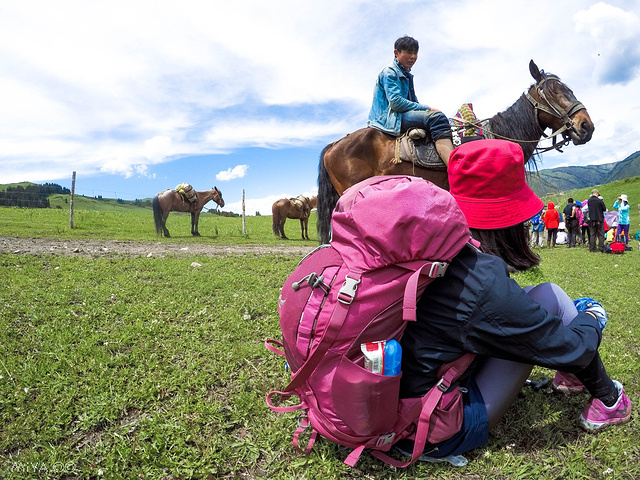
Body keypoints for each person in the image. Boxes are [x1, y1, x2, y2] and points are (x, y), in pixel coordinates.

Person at [398, 139, 631, 461]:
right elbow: (573, 348)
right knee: (549, 296)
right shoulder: (479, 279)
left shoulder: (429, 249)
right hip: (429, 430)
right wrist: (593, 315)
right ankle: (609, 399)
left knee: (535, 301)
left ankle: (577, 381)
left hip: (387, 401)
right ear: (510, 217)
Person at [367, 35, 455, 165]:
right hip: (390, 118)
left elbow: (413, 103)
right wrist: (427, 109)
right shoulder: (390, 72)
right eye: (409, 52)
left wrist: (423, 110)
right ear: (396, 53)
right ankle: (453, 166)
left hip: (399, 115)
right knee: (437, 118)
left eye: (415, 53)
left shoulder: (406, 74)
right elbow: (396, 103)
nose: (413, 57)